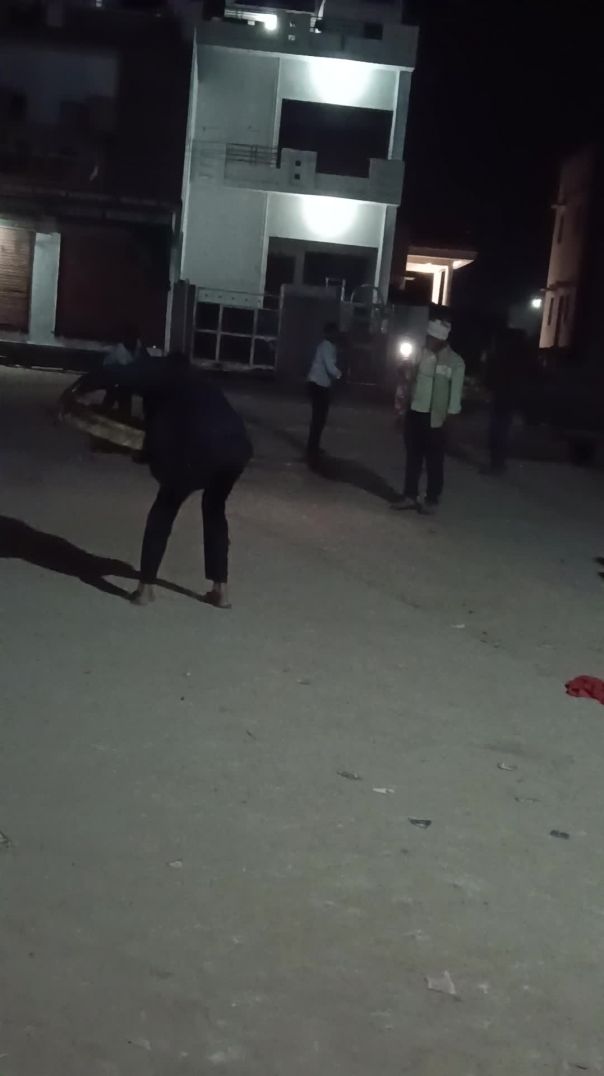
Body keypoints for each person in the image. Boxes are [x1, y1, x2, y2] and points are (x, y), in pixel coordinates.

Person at [62, 352, 252, 609]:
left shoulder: (160, 372)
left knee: (164, 510)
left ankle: (145, 589)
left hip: (198, 449)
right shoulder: (200, 381)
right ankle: (221, 591)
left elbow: (117, 374)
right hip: (236, 450)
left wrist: (78, 388)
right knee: (214, 510)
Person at [391, 317, 465, 514]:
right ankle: (409, 495)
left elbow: (455, 396)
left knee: (434, 461)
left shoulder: (455, 362)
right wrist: (403, 369)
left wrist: (450, 421)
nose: (428, 340)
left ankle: (432, 499)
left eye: (432, 337)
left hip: (436, 419)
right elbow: (406, 380)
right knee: (413, 459)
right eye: (428, 336)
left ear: (442, 339)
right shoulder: (418, 355)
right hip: (415, 414)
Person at [482, 327, 528, 475]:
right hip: (509, 396)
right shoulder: (519, 357)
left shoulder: (499, 354)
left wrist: (488, 388)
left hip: (500, 396)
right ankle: (498, 462)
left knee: (497, 430)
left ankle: (496, 462)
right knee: (503, 430)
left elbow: (490, 375)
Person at [306, 322, 342, 466]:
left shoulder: (327, 346)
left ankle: (313, 446)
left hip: (319, 384)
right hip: (318, 385)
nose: (336, 335)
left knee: (318, 419)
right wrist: (339, 375)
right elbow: (330, 366)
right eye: (334, 332)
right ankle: (312, 449)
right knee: (318, 419)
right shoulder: (327, 346)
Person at [102, 325, 143, 419]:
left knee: (124, 402)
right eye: (130, 337)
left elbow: (139, 361)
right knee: (111, 399)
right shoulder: (120, 350)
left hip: (123, 380)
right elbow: (127, 369)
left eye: (135, 337)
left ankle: (123, 416)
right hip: (112, 378)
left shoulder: (137, 345)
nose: (133, 340)